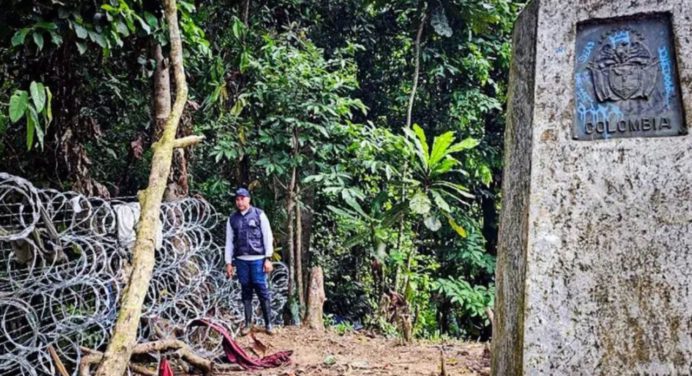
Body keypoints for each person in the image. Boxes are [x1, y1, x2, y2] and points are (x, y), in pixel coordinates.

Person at [225, 188, 275, 335]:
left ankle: (268, 324)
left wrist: (268, 258)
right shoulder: (232, 219)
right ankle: (248, 323)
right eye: (237, 199)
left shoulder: (259, 215)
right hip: (241, 260)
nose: (240, 202)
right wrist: (228, 262)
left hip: (258, 259)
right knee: (245, 290)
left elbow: (267, 236)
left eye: (242, 199)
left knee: (261, 289)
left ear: (249, 199)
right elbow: (229, 242)